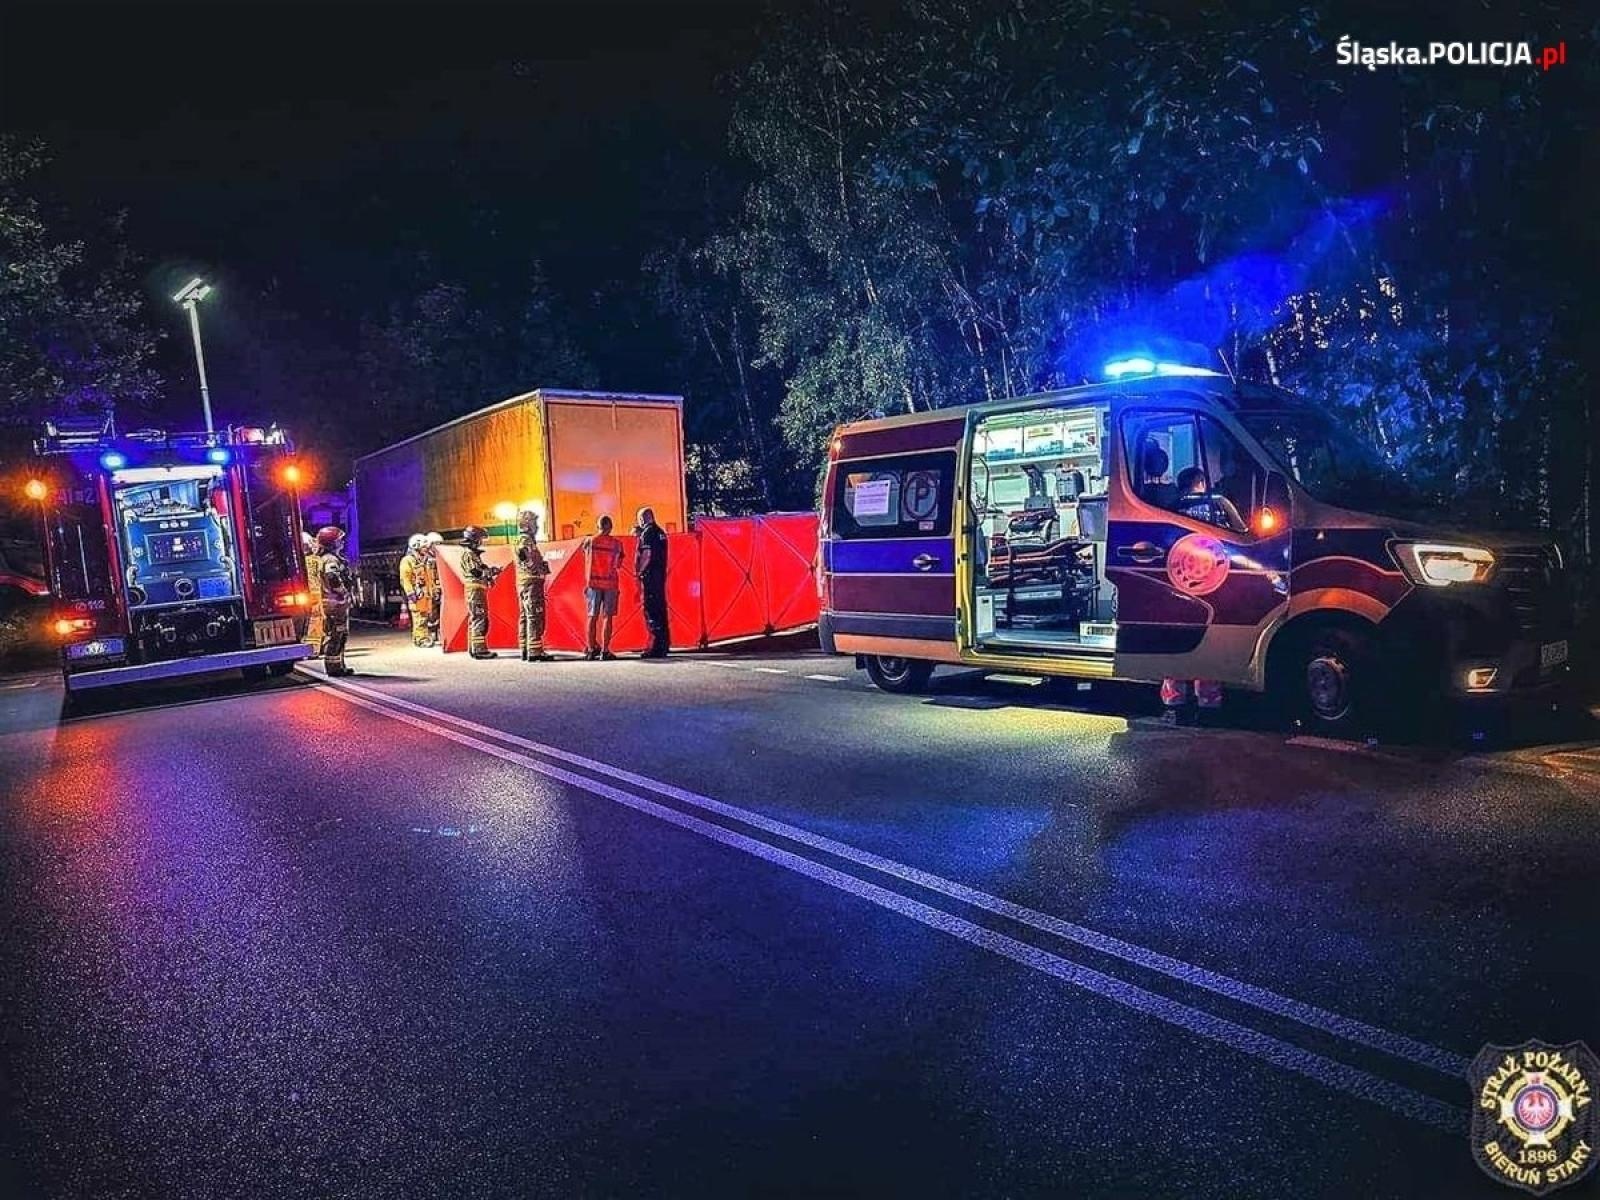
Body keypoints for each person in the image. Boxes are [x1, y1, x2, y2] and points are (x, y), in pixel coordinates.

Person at [314, 525, 356, 676]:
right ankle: (333, 668)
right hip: (334, 604)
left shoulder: (331, 557)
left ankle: (339, 666)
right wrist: (343, 592)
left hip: (336, 604)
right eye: (340, 540)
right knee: (336, 636)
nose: (342, 542)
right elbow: (332, 577)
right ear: (332, 543)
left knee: (341, 635)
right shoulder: (330, 559)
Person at [514, 509, 554, 662]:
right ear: (527, 524)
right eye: (534, 523)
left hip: (524, 582)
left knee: (525, 616)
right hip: (531, 582)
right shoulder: (525, 540)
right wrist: (535, 566)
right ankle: (535, 651)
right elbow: (522, 553)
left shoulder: (522, 539)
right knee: (534, 615)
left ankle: (525, 648)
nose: (537, 526)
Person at [581, 515, 623, 660]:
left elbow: (583, 552)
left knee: (592, 616)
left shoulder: (589, 542)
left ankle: (591, 649)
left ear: (597, 526)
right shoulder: (617, 544)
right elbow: (618, 564)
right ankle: (605, 651)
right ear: (610, 527)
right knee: (607, 617)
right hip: (610, 584)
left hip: (593, 584)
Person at [633, 506, 670, 658]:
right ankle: (664, 644)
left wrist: (639, 572)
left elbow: (647, 555)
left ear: (642, 519)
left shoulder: (647, 533)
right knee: (661, 610)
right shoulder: (661, 532)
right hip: (660, 576)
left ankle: (655, 647)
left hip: (650, 577)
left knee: (652, 611)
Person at [460, 525, 500, 659]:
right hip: (475, 590)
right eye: (480, 539)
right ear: (474, 539)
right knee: (479, 618)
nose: (481, 542)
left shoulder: (472, 554)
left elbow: (481, 568)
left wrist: (490, 571)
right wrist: (490, 572)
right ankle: (479, 650)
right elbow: (476, 572)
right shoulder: (469, 554)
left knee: (477, 617)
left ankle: (474, 648)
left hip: (477, 589)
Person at [1175, 466, 1247, 533]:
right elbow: (1241, 530)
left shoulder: (1174, 507)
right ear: (1201, 483)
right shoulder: (1220, 501)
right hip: (1219, 543)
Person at [398, 533, 433, 648]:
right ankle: (421, 639)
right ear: (416, 546)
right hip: (416, 595)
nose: (426, 549)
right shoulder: (407, 561)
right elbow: (405, 578)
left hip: (424, 595)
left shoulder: (422, 561)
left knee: (424, 617)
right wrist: (410, 593)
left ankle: (421, 637)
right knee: (419, 618)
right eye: (424, 547)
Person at [301, 530, 324, 655]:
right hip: (316, 593)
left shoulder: (300, 562)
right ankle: (314, 648)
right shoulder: (316, 560)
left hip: (305, 594)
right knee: (317, 619)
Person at [422, 532, 444, 646]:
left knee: (441, 611)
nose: (438, 546)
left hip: (440, 588)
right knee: (432, 613)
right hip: (430, 590)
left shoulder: (440, 555)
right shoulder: (426, 558)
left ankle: (440, 632)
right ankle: (432, 633)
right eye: (436, 543)